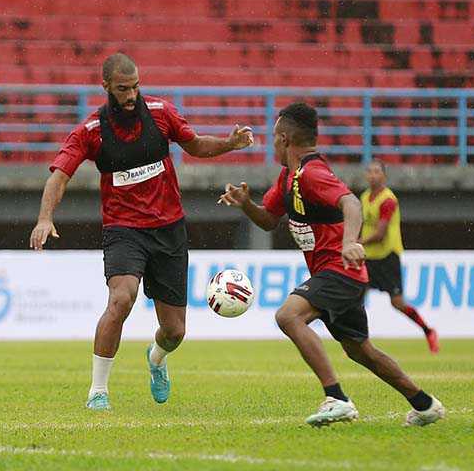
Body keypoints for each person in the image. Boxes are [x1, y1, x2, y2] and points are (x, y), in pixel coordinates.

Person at [29, 53, 253, 410]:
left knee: (175, 331)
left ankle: (156, 360)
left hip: (169, 229)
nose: (131, 95)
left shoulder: (161, 113)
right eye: (122, 89)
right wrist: (45, 218)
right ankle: (98, 391)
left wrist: (229, 143)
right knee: (121, 299)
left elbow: (194, 145)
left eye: (135, 86)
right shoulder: (91, 131)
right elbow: (59, 176)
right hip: (124, 229)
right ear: (106, 87)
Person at [219, 102, 444, 427]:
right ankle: (425, 404)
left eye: (273, 138)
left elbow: (350, 202)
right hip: (338, 273)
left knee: (288, 316)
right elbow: (269, 220)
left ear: (284, 139)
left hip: (339, 270)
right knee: (359, 350)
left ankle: (336, 398)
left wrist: (350, 242)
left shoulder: (312, 173)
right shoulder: (289, 177)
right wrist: (246, 205)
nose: (272, 144)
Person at [359, 159, 439, 353]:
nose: (372, 175)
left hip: (387, 257)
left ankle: (428, 331)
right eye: (369, 172)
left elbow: (379, 235)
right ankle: (357, 341)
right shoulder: (364, 197)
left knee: (398, 303)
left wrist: (356, 242)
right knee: (355, 298)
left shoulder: (388, 200)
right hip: (368, 259)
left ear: (384, 176)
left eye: (377, 172)